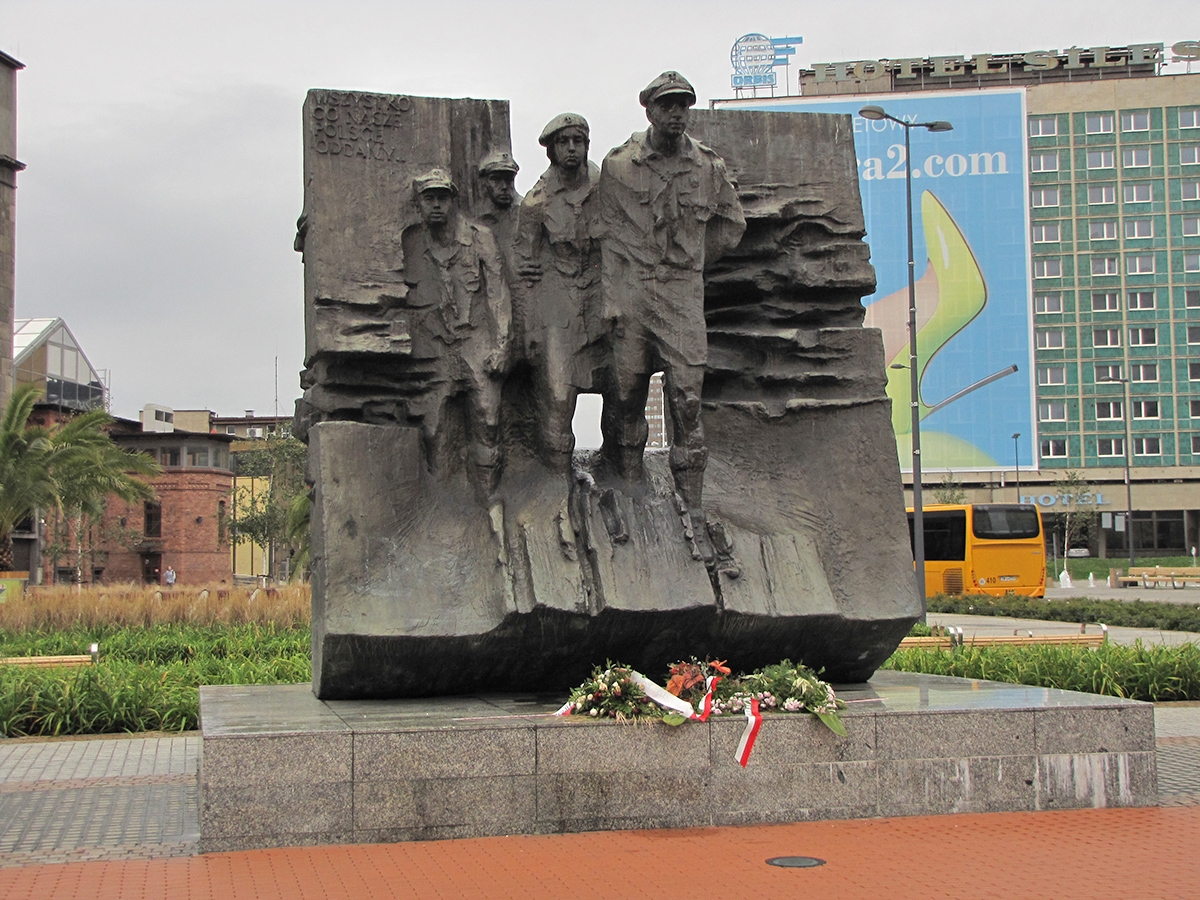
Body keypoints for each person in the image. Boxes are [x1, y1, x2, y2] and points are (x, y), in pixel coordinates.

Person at [598, 71, 746, 561]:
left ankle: (694, 510)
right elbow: (605, 240)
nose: (676, 113)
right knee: (626, 395)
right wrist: (615, 300)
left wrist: (692, 261)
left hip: (682, 293)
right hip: (634, 292)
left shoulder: (707, 166)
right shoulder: (618, 167)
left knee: (687, 401)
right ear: (649, 110)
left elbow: (731, 225)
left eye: (683, 104)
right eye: (667, 105)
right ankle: (629, 488)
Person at [401, 167, 511, 498]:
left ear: (453, 201)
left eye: (442, 198)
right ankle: (442, 503)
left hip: (477, 342)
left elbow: (498, 294)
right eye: (429, 199)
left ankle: (488, 500)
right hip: (433, 346)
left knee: (489, 422)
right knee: (433, 429)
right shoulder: (410, 242)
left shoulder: (480, 238)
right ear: (418, 203)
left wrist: (503, 344)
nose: (436, 205)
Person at [514, 113, 602, 470]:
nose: (571, 149)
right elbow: (525, 268)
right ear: (551, 150)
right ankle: (557, 482)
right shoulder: (535, 203)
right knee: (558, 396)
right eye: (563, 142)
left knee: (626, 389)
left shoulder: (604, 187)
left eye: (577, 142)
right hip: (558, 304)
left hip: (600, 298)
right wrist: (531, 330)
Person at [475, 150, 522, 256]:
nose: (504, 186)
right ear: (484, 182)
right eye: (496, 179)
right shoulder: (478, 217)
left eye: (509, 179)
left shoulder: (524, 211)